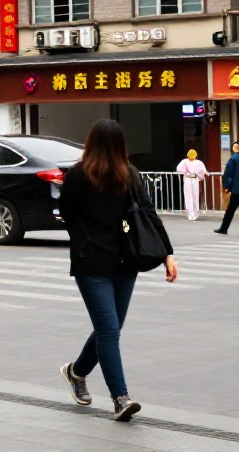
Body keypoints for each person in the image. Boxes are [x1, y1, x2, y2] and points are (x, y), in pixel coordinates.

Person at [58, 119, 177, 422]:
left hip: (125, 263)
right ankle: (120, 397)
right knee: (109, 330)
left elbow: (146, 215)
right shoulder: (78, 177)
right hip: (92, 265)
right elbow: (70, 216)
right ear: (120, 145)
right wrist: (87, 242)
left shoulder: (130, 176)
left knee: (108, 329)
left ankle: (76, 372)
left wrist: (167, 253)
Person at [175, 150, 208, 221]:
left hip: (194, 179)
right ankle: (190, 213)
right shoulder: (184, 162)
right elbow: (178, 169)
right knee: (189, 196)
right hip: (188, 179)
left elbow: (203, 170)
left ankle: (195, 213)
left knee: (195, 196)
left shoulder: (198, 162)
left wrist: (204, 173)